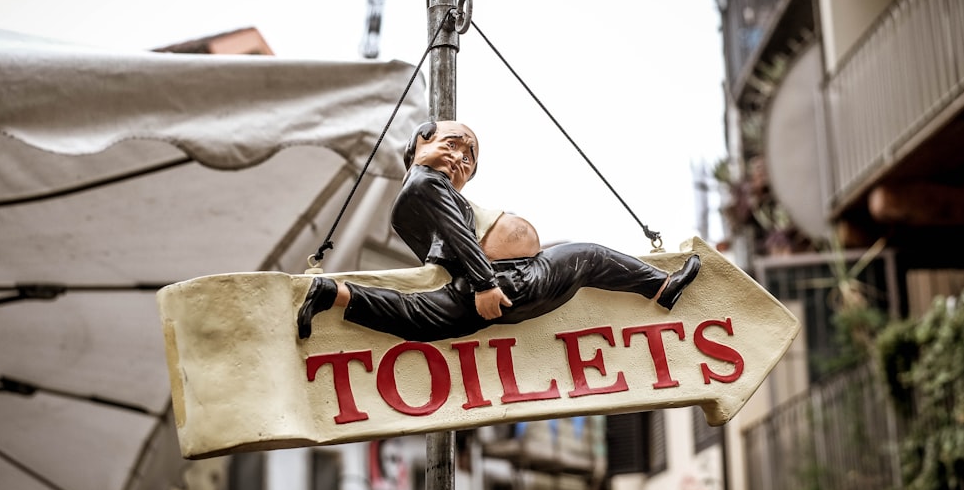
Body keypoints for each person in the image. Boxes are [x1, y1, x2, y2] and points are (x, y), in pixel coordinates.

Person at [296, 120, 701, 342]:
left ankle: (332, 293)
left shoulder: (420, 196)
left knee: (416, 318)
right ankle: (663, 288)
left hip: (477, 286)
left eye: (469, 159)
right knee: (588, 257)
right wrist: (486, 283)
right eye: (452, 145)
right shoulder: (424, 183)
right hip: (509, 282)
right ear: (421, 141)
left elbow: (440, 250)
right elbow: (458, 235)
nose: (459, 159)